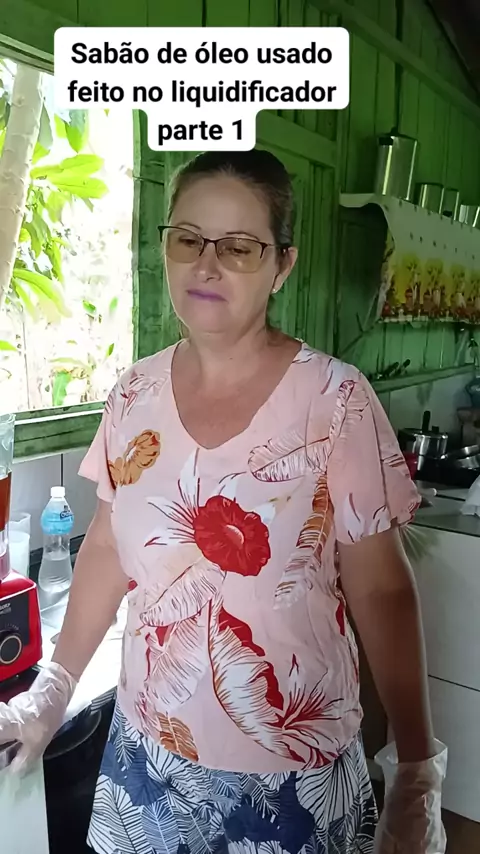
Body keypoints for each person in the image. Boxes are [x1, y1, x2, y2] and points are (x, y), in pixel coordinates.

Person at [0, 149, 447, 853]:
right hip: (146, 766)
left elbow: (382, 591)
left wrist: (416, 768)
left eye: (238, 247)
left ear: (282, 265)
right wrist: (54, 686)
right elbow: (109, 547)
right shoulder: (134, 394)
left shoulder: (335, 400)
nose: (207, 265)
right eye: (189, 239)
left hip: (293, 782)